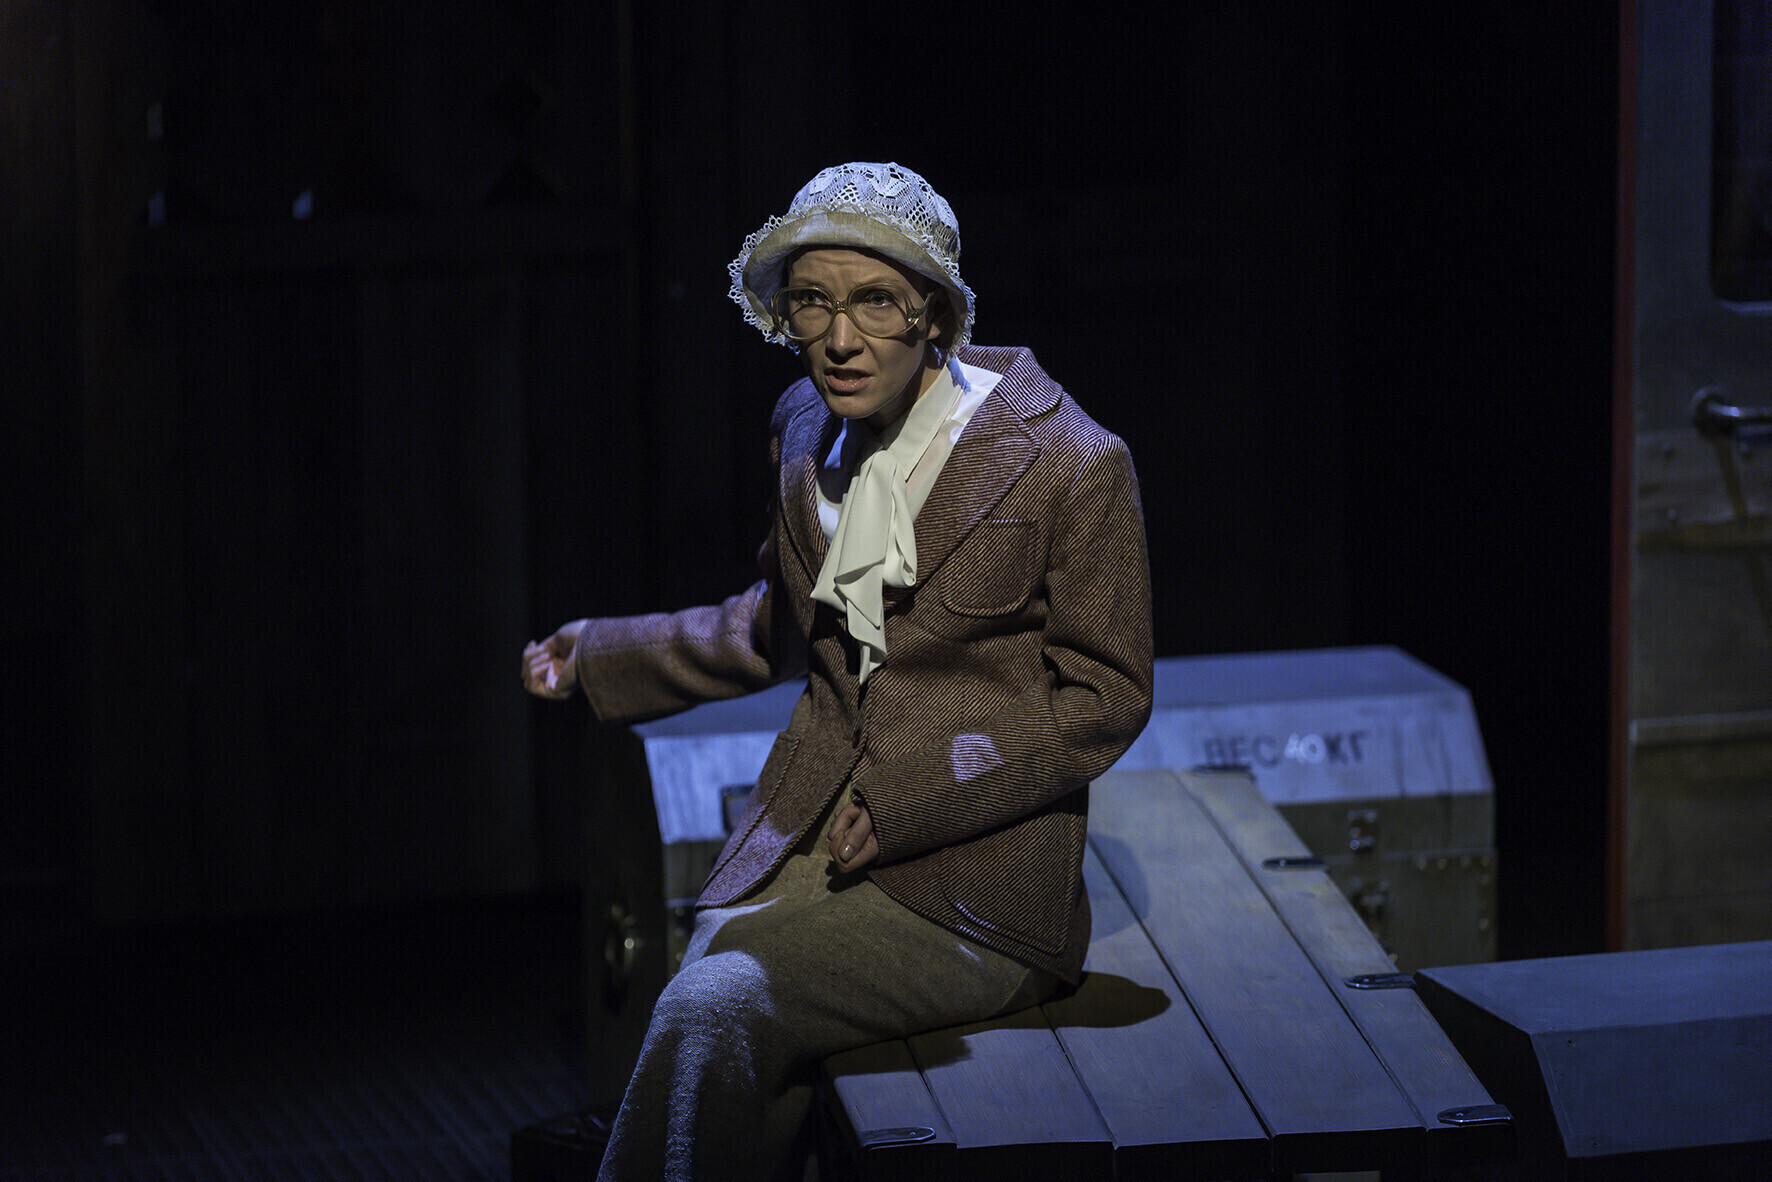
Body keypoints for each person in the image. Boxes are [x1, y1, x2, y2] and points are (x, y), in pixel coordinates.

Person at [522, 161, 1154, 1181]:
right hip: (812, 831)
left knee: (715, 1003)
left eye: (874, 303)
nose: (839, 339)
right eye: (812, 303)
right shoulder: (802, 431)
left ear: (935, 315)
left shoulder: (1070, 463)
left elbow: (1103, 701)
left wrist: (918, 800)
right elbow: (777, 625)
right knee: (721, 1008)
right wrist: (605, 651)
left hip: (977, 880)